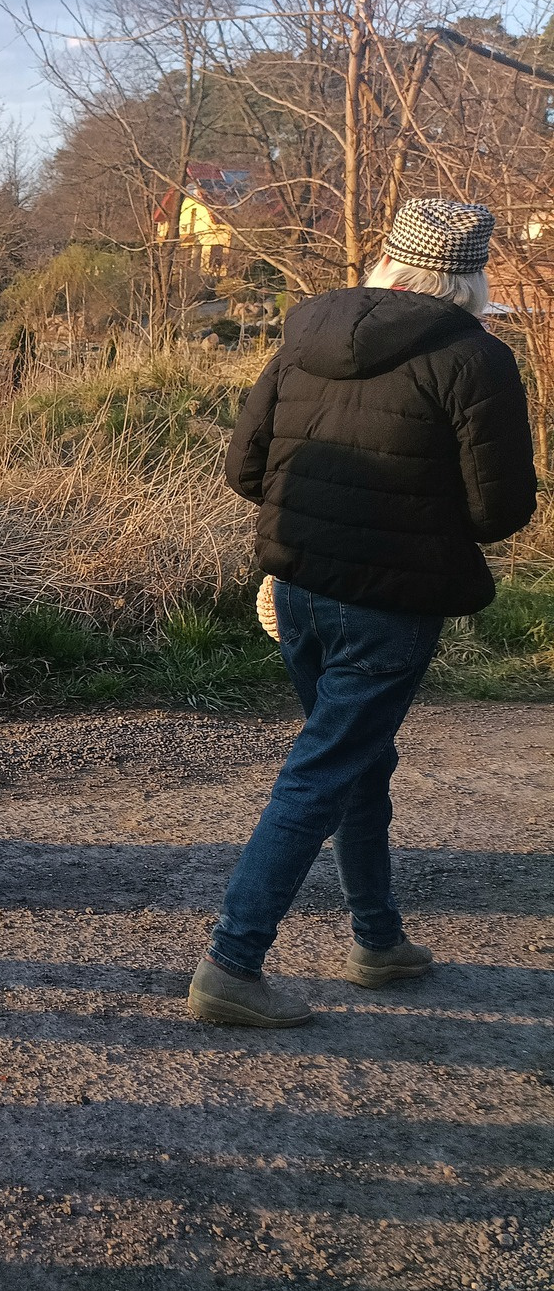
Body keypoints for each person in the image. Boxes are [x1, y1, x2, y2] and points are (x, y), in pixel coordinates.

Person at [188, 198, 536, 1027]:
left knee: (355, 762)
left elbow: (244, 471)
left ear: (389, 261)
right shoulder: (475, 358)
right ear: (470, 278)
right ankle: (232, 965)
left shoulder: (304, 334)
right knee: (321, 773)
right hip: (392, 604)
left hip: (297, 588)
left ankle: (377, 940)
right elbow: (498, 511)